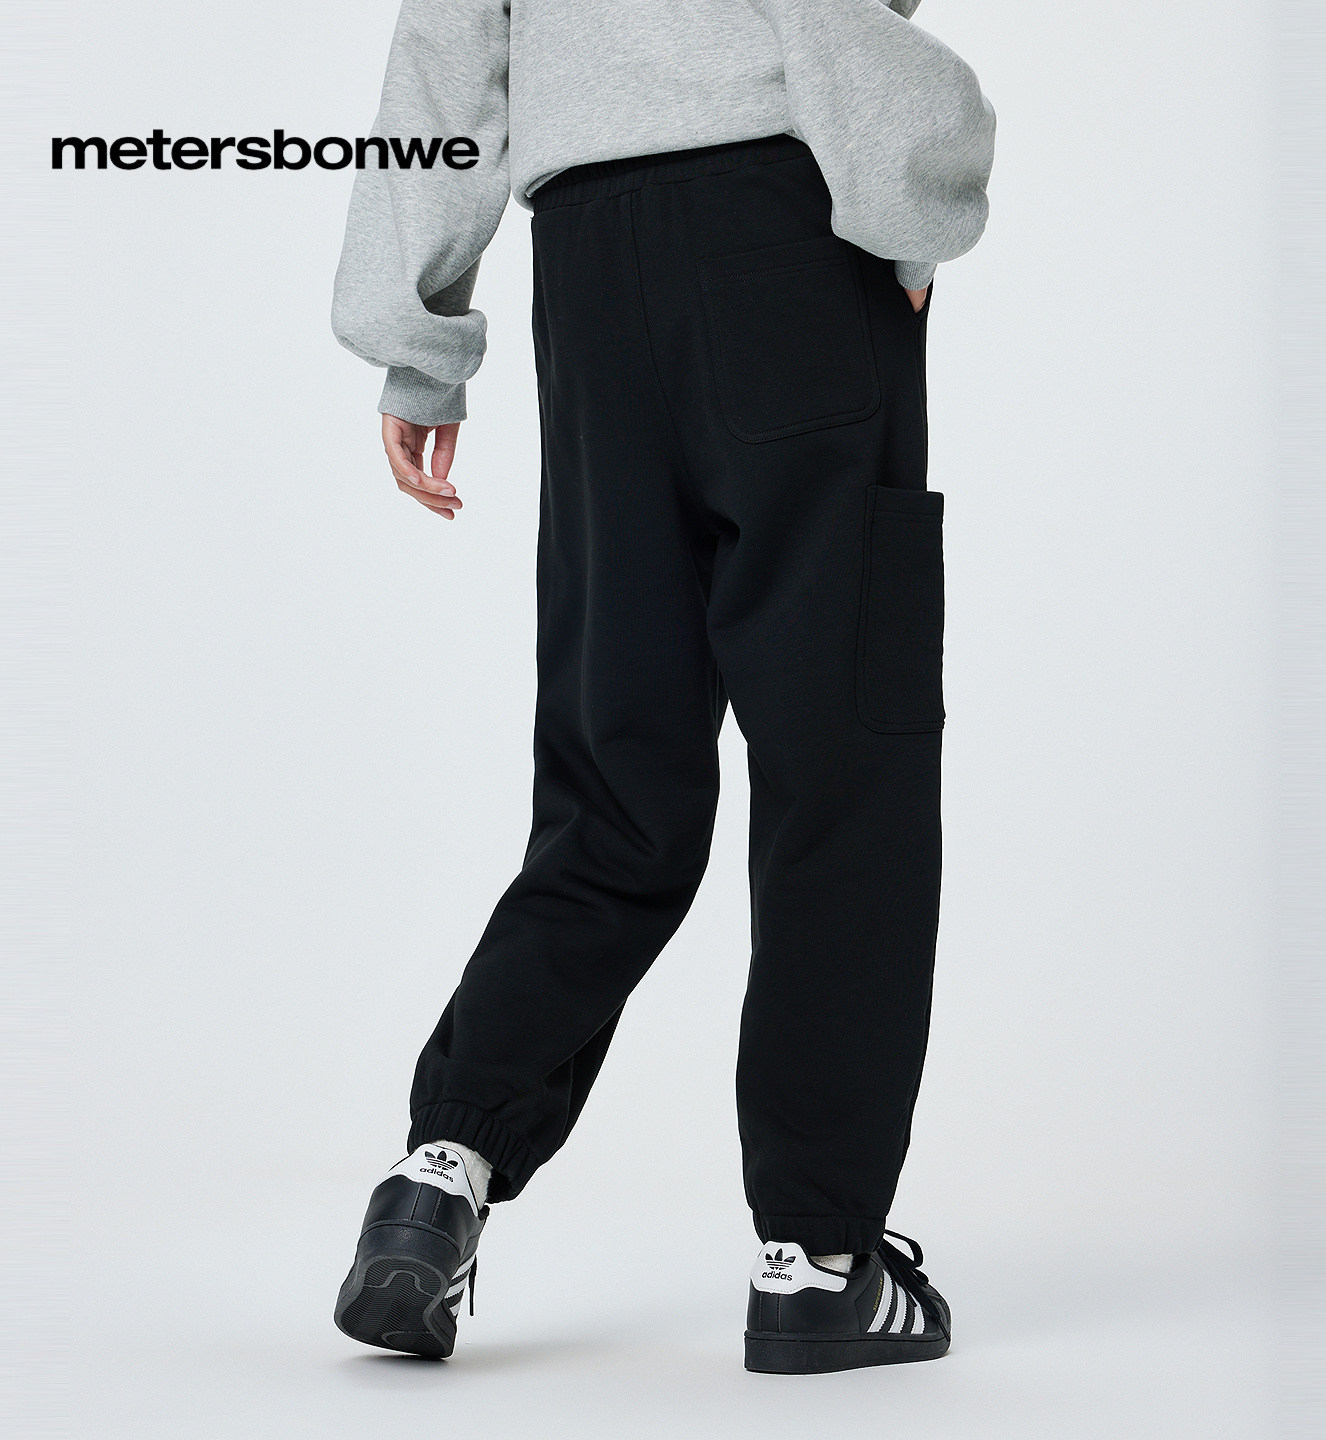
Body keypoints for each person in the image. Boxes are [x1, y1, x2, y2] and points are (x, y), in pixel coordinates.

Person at [329, 0, 995, 1374]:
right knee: (840, 772)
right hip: (788, 228)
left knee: (615, 780)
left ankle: (439, 1172)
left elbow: (445, 47)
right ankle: (817, 1262)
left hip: (586, 268)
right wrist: (906, 207)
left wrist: (417, 342)